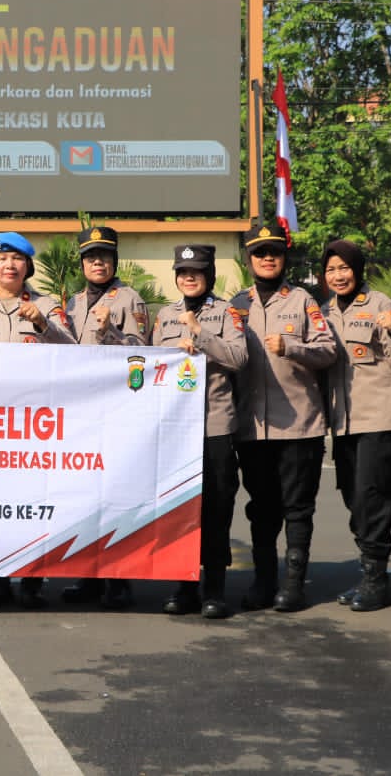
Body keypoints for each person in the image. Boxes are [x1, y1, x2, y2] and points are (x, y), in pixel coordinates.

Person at [0, 231, 73, 610]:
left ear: (27, 267)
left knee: (32, 502)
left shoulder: (48, 306)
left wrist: (43, 324)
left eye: (17, 259)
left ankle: (31, 581)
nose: (10, 265)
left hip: (34, 425)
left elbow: (77, 352)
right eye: (2, 259)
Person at [231, 222, 336, 612]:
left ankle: (293, 584)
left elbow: (328, 351)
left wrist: (291, 346)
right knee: (261, 508)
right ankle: (264, 580)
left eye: (274, 251)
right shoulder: (236, 304)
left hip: (299, 425)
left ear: (284, 256)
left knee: (297, 507)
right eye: (260, 252)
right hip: (251, 428)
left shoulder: (303, 301)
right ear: (249, 259)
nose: (268, 257)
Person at [151, 243, 247, 619]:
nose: (188, 277)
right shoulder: (164, 315)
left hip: (215, 425)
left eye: (196, 271)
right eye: (182, 272)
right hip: (175, 429)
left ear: (208, 275)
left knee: (217, 507)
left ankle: (215, 588)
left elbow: (239, 358)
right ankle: (183, 586)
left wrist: (200, 336)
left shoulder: (227, 312)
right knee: (179, 509)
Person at [320, 240, 391, 611]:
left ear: (358, 270)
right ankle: (368, 574)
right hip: (342, 421)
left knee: (373, 499)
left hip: (380, 417)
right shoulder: (322, 312)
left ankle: (377, 580)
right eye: (331, 270)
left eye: (344, 268)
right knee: (353, 498)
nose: (338, 276)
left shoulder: (381, 305)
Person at [61, 226, 150, 610]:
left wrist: (109, 331)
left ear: (114, 260)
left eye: (104, 256)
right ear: (82, 262)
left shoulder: (130, 299)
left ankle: (119, 579)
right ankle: (89, 575)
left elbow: (145, 352)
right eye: (91, 256)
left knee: (115, 495)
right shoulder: (73, 302)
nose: (98, 262)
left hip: (118, 410)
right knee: (85, 497)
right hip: (82, 413)